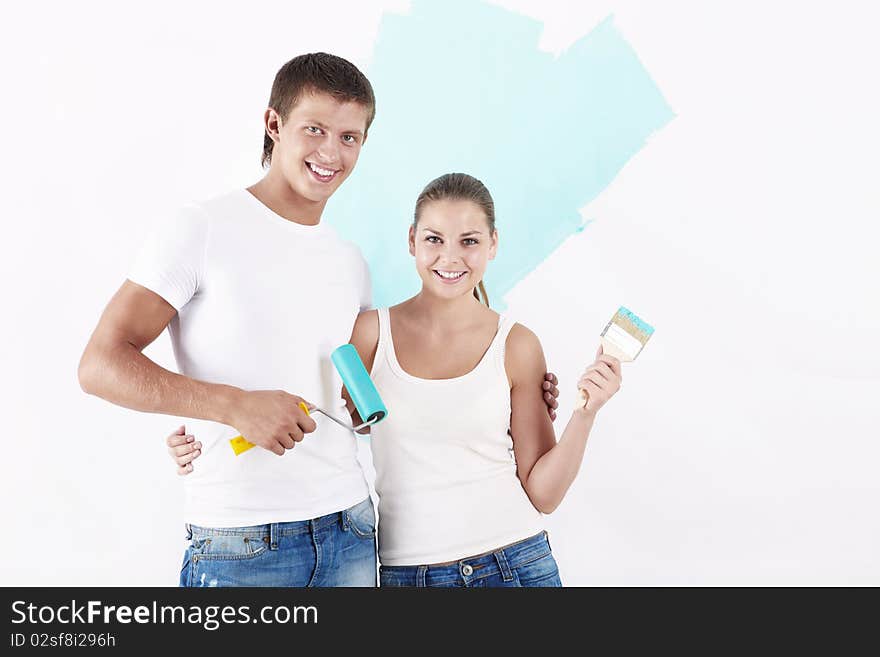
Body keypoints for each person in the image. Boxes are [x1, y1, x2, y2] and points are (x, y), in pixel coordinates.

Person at [79, 53, 560, 588]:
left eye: (350, 137)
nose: (331, 152)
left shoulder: (348, 262)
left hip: (352, 532)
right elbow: (100, 364)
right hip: (241, 542)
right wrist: (229, 408)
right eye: (315, 130)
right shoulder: (201, 228)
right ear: (274, 125)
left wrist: (509, 392)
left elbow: (352, 406)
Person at [173, 173, 622, 587]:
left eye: (469, 241)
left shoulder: (518, 345)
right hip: (409, 575)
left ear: (492, 244)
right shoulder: (370, 333)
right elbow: (312, 405)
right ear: (412, 241)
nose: (451, 257)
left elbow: (543, 494)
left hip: (515, 564)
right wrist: (204, 436)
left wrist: (586, 412)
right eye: (434, 239)